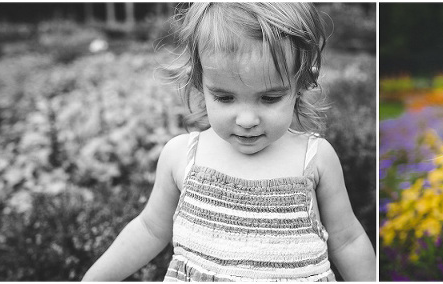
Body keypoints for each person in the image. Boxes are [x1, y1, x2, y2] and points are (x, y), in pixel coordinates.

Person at [82, 3, 375, 281]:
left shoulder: (314, 158)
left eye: (269, 98)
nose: (246, 119)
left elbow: (347, 239)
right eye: (225, 97)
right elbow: (150, 228)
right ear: (200, 83)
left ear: (300, 86)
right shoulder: (183, 156)